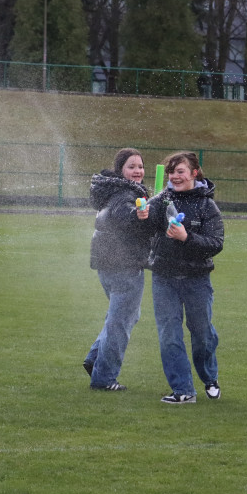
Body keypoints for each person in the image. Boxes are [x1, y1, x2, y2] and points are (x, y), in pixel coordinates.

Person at [146, 151, 224, 404]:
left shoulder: (206, 205)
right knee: (169, 334)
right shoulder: (161, 201)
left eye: (180, 171)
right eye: (171, 172)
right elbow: (143, 230)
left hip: (196, 279)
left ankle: (209, 377)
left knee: (201, 333)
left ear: (194, 173)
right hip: (164, 277)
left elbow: (215, 243)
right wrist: (140, 217)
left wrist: (186, 237)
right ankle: (183, 389)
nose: (174, 176)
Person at [83, 148, 153, 391]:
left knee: (124, 317)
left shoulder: (115, 191)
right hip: (124, 266)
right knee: (121, 323)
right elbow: (124, 218)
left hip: (108, 265)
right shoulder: (125, 195)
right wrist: (141, 217)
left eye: (141, 166)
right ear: (120, 170)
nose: (138, 171)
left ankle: (95, 359)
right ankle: (104, 378)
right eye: (132, 166)